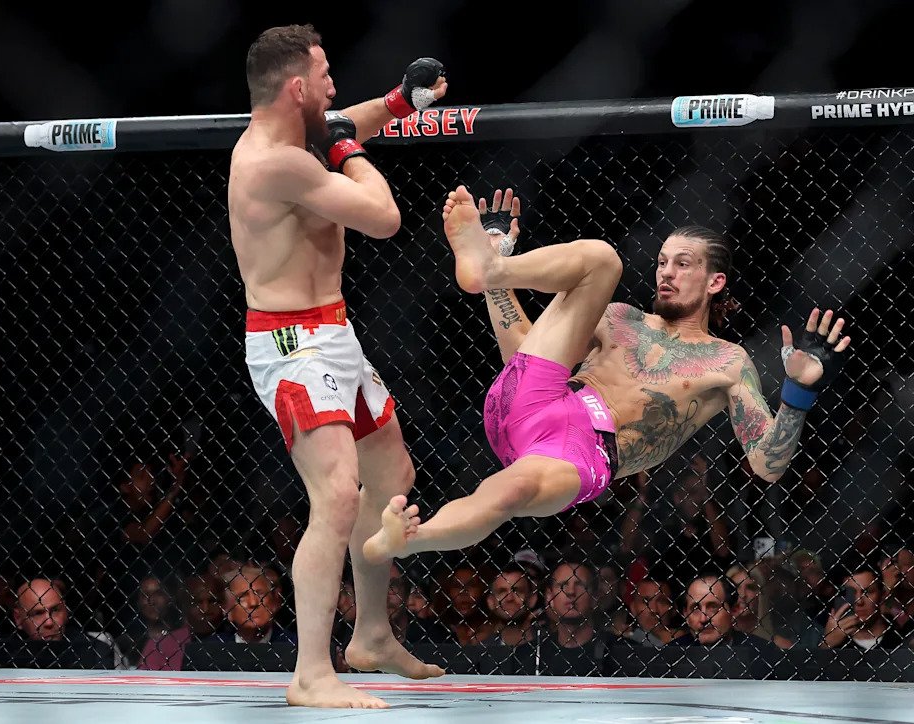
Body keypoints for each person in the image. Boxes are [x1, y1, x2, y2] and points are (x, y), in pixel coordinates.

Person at [364, 185, 851, 566]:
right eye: (662, 262)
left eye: (683, 264)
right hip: (536, 398)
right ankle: (492, 264)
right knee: (602, 258)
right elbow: (526, 356)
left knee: (507, 492)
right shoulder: (619, 318)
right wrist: (496, 281)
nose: (667, 272)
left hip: (584, 449)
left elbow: (768, 464)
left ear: (715, 282)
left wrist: (798, 391)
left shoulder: (727, 362)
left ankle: (411, 537)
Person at [228, 25, 447, 708]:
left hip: (334, 332)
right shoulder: (275, 162)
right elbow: (383, 216)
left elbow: (344, 120)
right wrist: (349, 147)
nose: (332, 87)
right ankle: (310, 674)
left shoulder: (292, 137)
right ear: (297, 88)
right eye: (324, 76)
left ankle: (372, 634)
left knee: (391, 476)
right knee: (337, 497)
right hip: (293, 346)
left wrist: (399, 102)